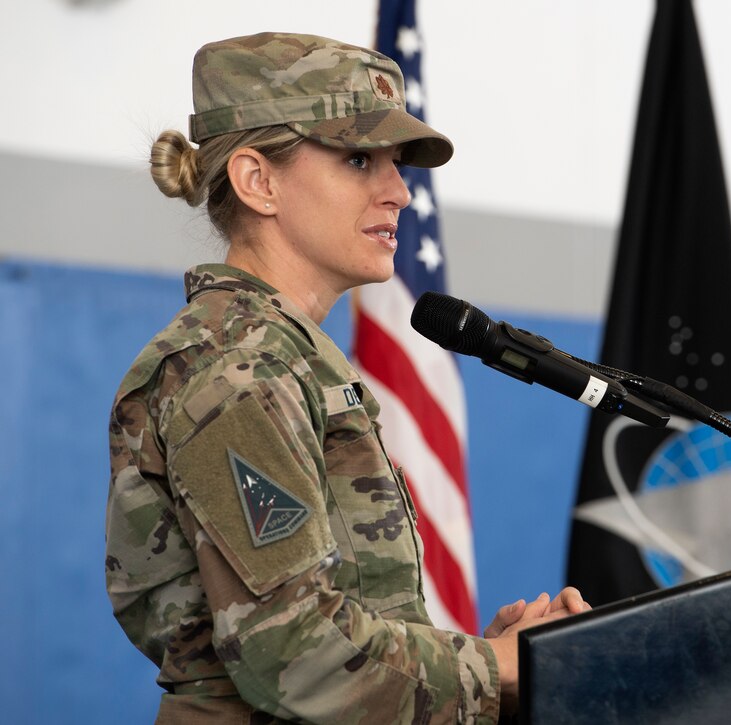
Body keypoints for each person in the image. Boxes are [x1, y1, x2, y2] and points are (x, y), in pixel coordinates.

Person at [105, 31, 588, 724]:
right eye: (359, 159)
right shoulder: (238, 370)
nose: (399, 191)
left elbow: (328, 634)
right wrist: (501, 669)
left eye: (396, 163)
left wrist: (481, 661)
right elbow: (297, 653)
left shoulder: (284, 358)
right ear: (256, 181)